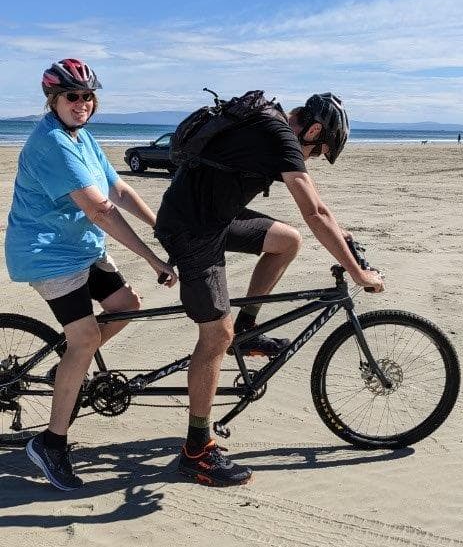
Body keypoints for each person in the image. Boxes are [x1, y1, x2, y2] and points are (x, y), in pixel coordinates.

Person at [154, 91, 385, 487]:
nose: (312, 158)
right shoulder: (279, 135)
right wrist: (358, 274)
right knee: (214, 335)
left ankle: (246, 331)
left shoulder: (270, 126)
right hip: (192, 229)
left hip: (216, 217)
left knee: (287, 240)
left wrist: (343, 237)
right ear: (312, 130)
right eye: (319, 150)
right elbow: (315, 212)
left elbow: (317, 210)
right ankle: (196, 451)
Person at [5, 58, 177, 491]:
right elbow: (101, 210)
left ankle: (69, 364)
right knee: (83, 340)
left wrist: (162, 228)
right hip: (47, 254)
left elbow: (117, 189)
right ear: (53, 100)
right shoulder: (52, 144)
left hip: (81, 248)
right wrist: (155, 260)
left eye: (87, 97)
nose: (81, 103)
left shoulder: (81, 137)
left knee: (126, 306)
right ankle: (50, 443)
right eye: (72, 96)